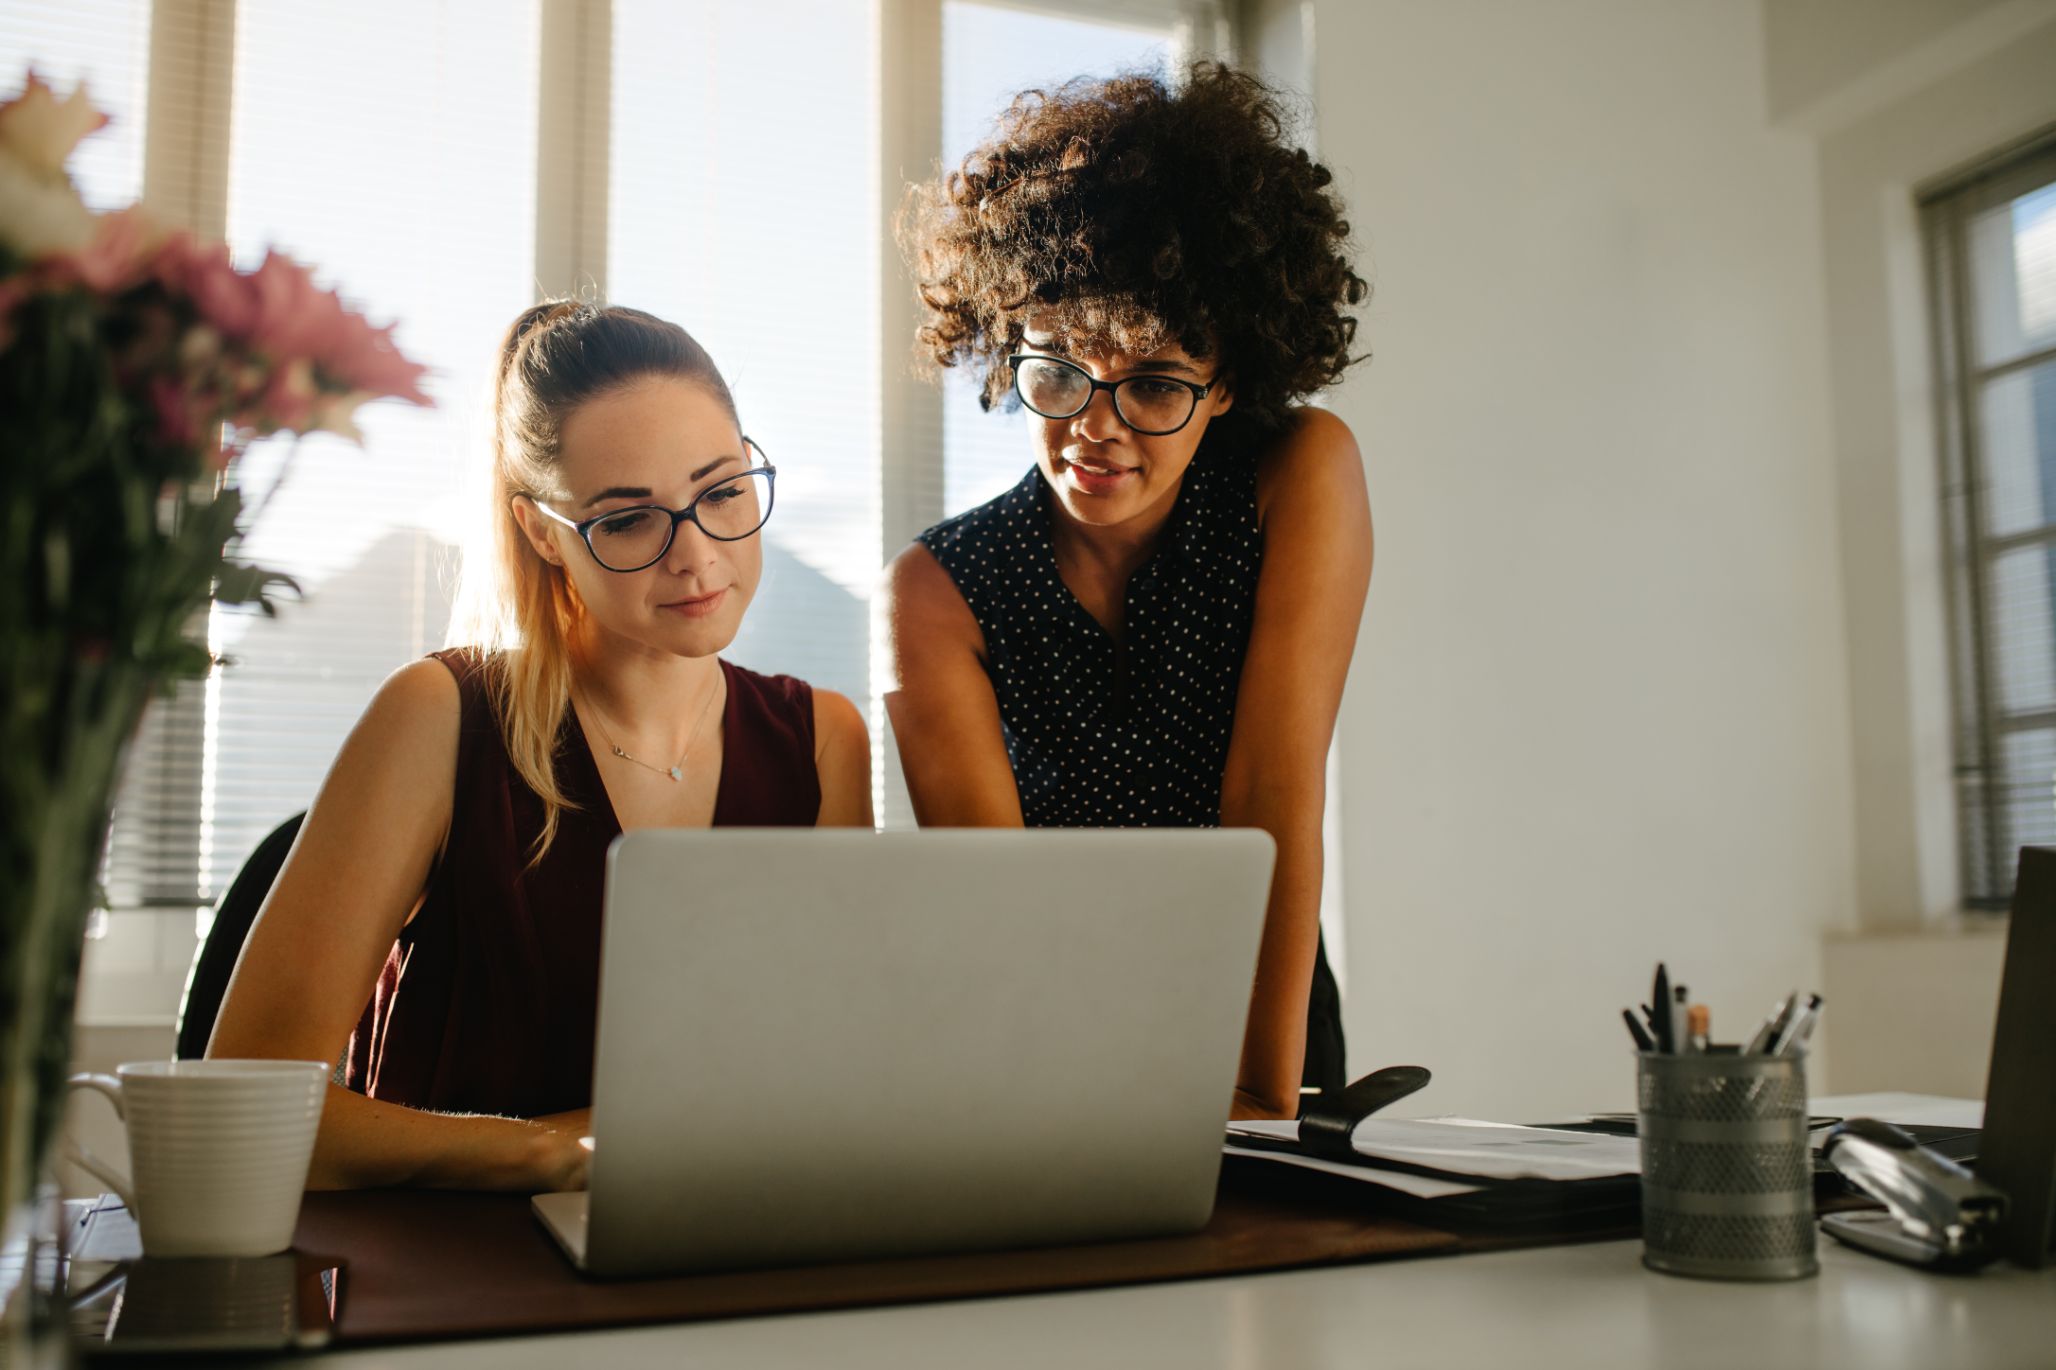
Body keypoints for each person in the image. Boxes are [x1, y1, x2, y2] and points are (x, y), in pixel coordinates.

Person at [210, 302, 872, 1190]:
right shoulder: (438, 715)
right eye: (628, 520)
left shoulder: (824, 741)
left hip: (715, 1259)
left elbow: (830, 1073)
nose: (697, 556)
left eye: (721, 492)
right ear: (541, 533)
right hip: (457, 1281)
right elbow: (240, 1109)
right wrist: (551, 1152)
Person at [884, 65, 1371, 1119]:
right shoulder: (937, 590)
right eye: (1058, 371)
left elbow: (1273, 796)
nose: (1094, 426)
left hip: (1266, 1015)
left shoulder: (1296, 472)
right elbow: (997, 913)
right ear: (1007, 342)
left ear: (1228, 380)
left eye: (1152, 382)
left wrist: (1258, 1095)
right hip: (1045, 1031)